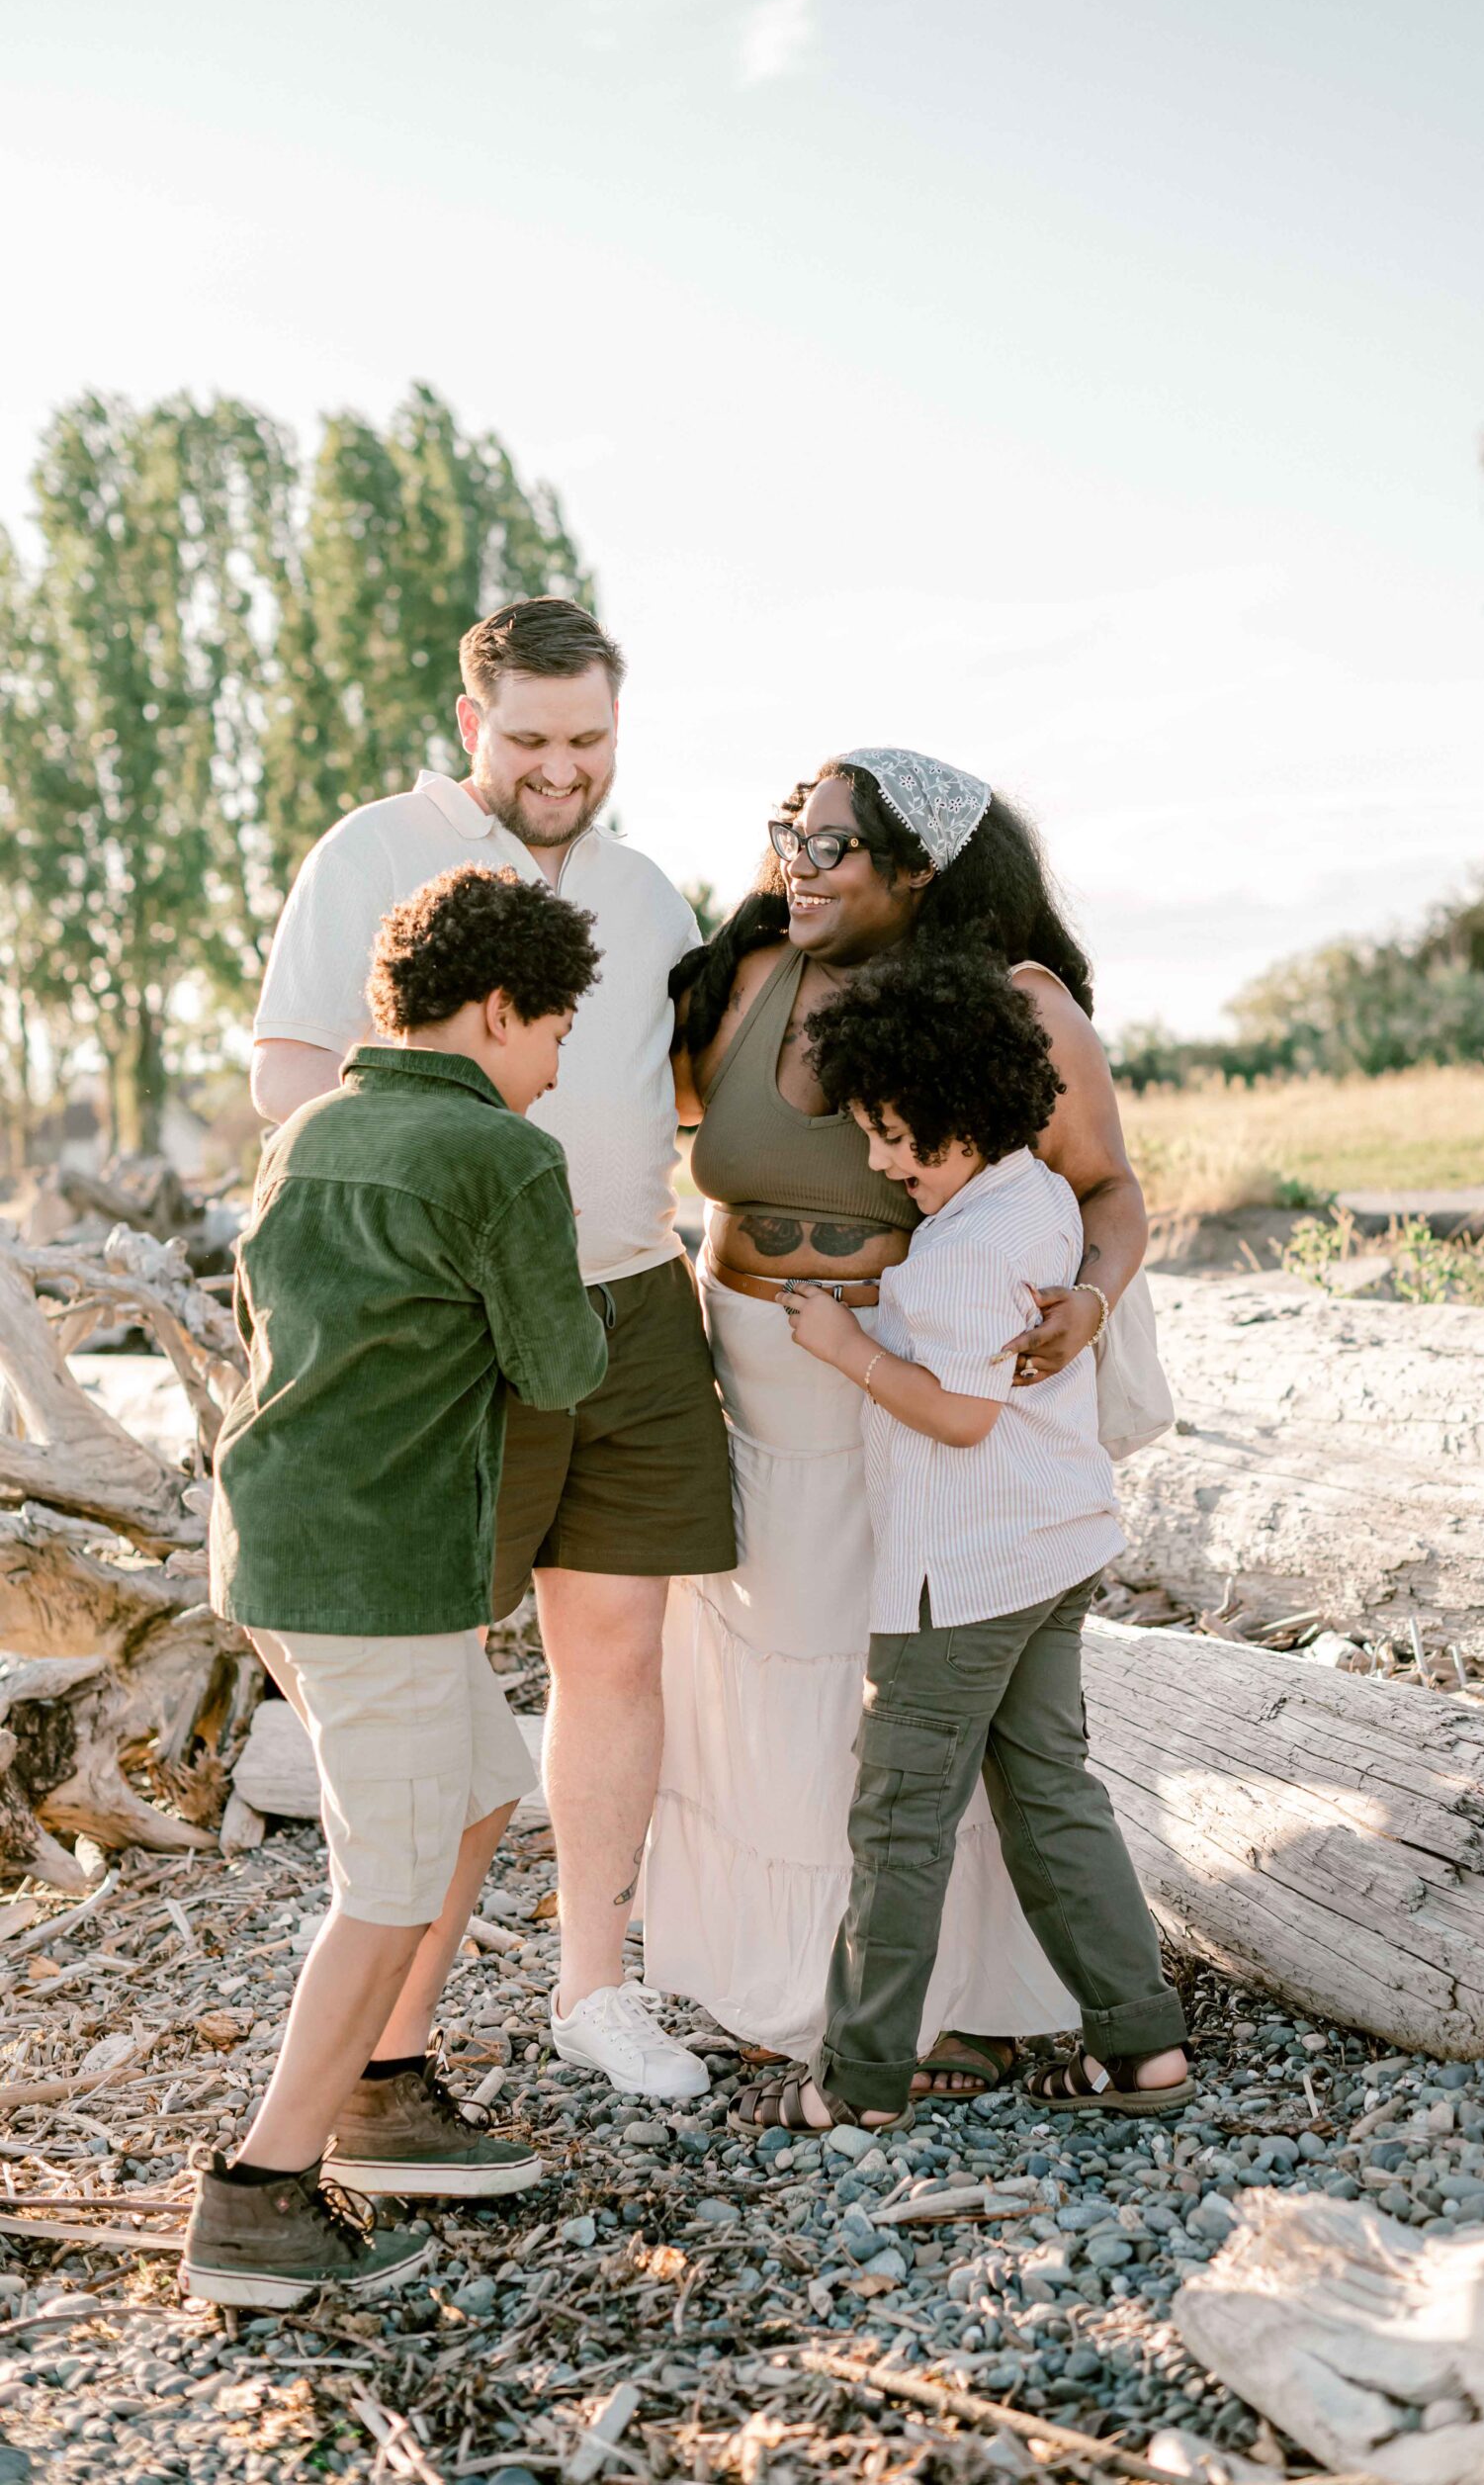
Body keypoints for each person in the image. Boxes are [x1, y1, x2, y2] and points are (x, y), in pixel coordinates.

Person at [248, 596, 734, 2101]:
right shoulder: (373, 853)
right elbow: (291, 1079)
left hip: (637, 1299)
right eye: (528, 739)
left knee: (617, 1651)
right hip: (458, 1327)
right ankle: (396, 2040)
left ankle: (598, 1987)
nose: (559, 768)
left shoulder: (650, 892)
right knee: (441, 1680)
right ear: (472, 723)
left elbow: (692, 1091)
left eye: (587, 740)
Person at [647, 748, 1153, 2095]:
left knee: (929, 1706)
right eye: (788, 838)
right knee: (782, 1679)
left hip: (927, 1383)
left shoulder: (1014, 1007)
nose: (793, 868)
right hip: (756, 1370)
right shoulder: (747, 979)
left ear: (918, 870)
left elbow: (1108, 1192)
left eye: (829, 849)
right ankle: (793, 1985)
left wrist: (1090, 1307)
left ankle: (974, 2006)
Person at [187, 866, 608, 2307]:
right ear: (496, 1011)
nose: (555, 1067)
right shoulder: (503, 1160)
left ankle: (386, 2083)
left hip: (273, 1547)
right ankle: (261, 2192)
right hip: (379, 1573)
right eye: (554, 1032)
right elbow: (559, 1368)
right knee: (384, 1883)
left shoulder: (305, 1131)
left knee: (481, 1779)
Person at [727, 951, 1190, 2133]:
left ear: (959, 1114)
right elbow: (972, 1335)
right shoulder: (1029, 1195)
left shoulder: (965, 1248)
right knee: (1050, 1793)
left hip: (963, 1576)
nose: (880, 1162)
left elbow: (960, 1408)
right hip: (1051, 1552)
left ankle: (858, 2078)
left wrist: (845, 1347)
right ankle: (1138, 2048)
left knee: (898, 1818)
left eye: (896, 1139)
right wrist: (885, 1309)